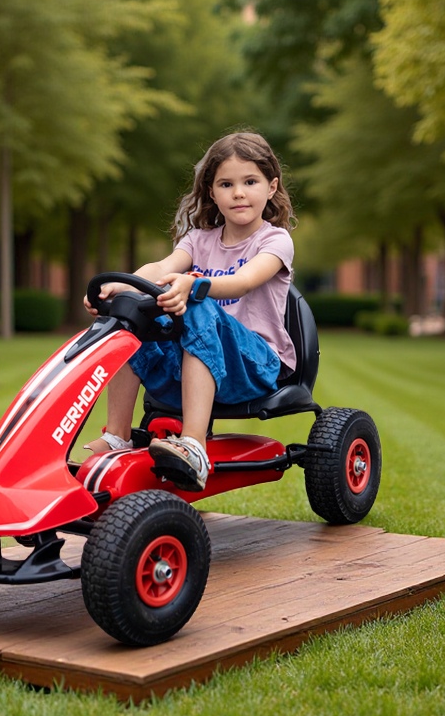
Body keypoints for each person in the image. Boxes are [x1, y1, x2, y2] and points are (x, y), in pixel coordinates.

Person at [83, 130, 296, 492]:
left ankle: (194, 445)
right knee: (126, 317)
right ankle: (117, 434)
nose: (239, 192)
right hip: (197, 362)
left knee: (198, 304)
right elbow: (163, 265)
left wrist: (195, 284)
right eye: (226, 184)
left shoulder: (275, 240)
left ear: (271, 186)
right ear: (212, 192)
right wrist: (121, 286)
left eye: (250, 182)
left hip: (255, 364)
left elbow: (244, 281)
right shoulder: (199, 239)